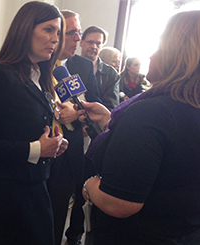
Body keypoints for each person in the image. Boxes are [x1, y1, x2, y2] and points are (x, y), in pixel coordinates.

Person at [81, 10, 200, 244]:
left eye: (159, 47)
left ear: (177, 55)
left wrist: (89, 185)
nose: (151, 56)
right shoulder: (185, 107)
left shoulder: (151, 112)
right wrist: (109, 121)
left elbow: (119, 203)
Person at [0, 2, 68, 244]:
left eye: (58, 32)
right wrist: (36, 149)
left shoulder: (39, 75)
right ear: (25, 29)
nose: (55, 39)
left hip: (35, 184)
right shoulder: (1, 75)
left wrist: (53, 143)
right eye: (48, 29)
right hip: (6, 192)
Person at [48, 9, 100, 245]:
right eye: (71, 33)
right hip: (39, 149)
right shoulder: (39, 64)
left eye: (78, 32)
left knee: (59, 210)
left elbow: (94, 106)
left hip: (70, 151)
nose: (78, 38)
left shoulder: (84, 66)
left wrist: (77, 112)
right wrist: (56, 112)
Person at [80, 26, 120, 110]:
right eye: (90, 42)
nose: (94, 46)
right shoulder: (69, 66)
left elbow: (111, 107)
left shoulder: (111, 74)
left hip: (96, 121)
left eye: (98, 44)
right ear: (81, 43)